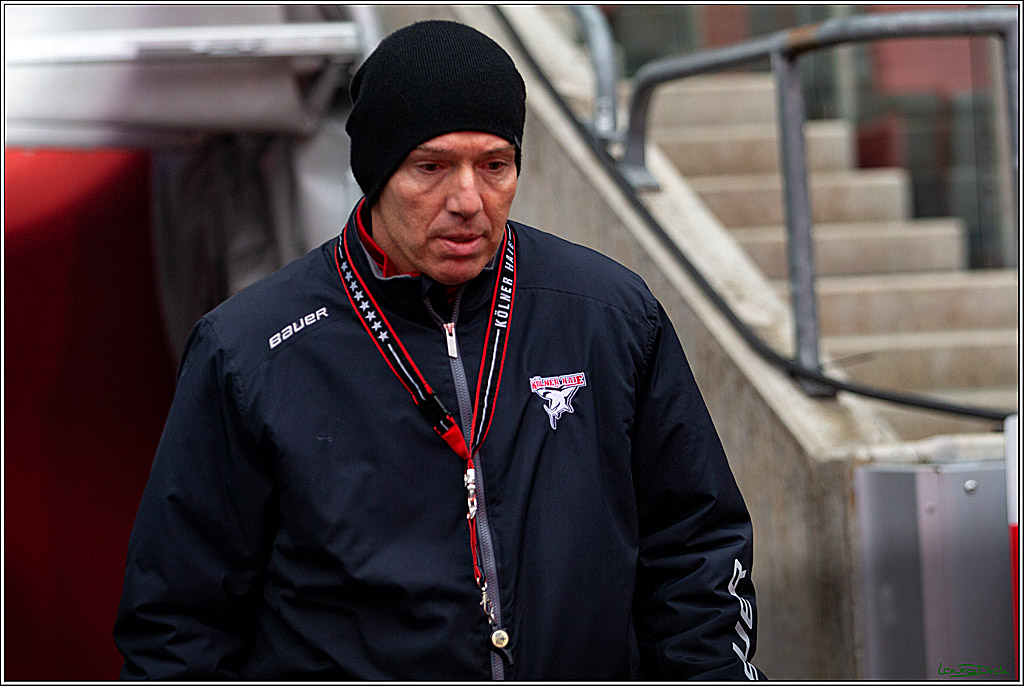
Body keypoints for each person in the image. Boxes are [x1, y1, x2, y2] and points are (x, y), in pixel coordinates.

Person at [114, 19, 765, 681]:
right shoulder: (250, 350)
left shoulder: (608, 314)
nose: (467, 200)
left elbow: (697, 551)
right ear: (375, 170)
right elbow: (177, 622)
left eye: (495, 166)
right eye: (431, 166)